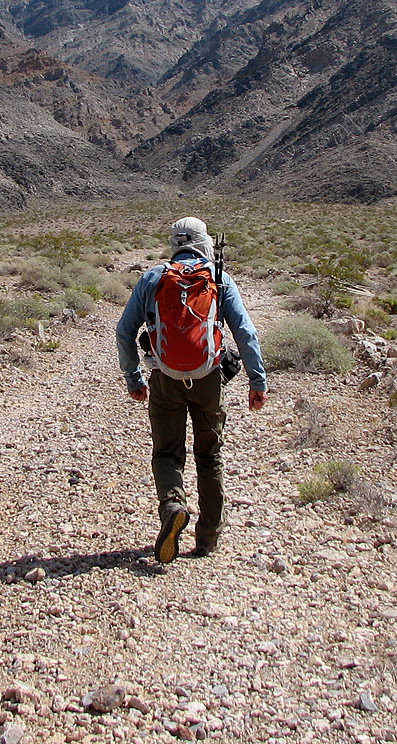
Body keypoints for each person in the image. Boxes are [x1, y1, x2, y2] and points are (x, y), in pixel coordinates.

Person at [116, 216, 267, 563]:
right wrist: (256, 381)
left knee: (167, 453)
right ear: (204, 243)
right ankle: (208, 537)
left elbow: (124, 332)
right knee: (209, 456)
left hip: (165, 378)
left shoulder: (153, 278)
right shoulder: (217, 278)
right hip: (209, 378)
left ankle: (172, 504)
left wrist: (134, 378)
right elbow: (245, 333)